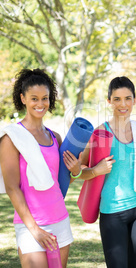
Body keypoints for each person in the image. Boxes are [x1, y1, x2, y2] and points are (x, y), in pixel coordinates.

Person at [63, 76, 136, 268]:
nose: (123, 104)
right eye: (117, 99)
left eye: (127, 98)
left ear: (134, 100)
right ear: (109, 101)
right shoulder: (100, 133)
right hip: (113, 210)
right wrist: (96, 171)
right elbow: (80, 169)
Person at [0, 69, 76, 267]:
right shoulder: (12, 138)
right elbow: (12, 188)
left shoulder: (55, 137)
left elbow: (62, 181)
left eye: (45, 98)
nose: (40, 104)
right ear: (23, 98)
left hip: (60, 219)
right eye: (34, 98)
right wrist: (34, 229)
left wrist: (75, 170)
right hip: (30, 226)